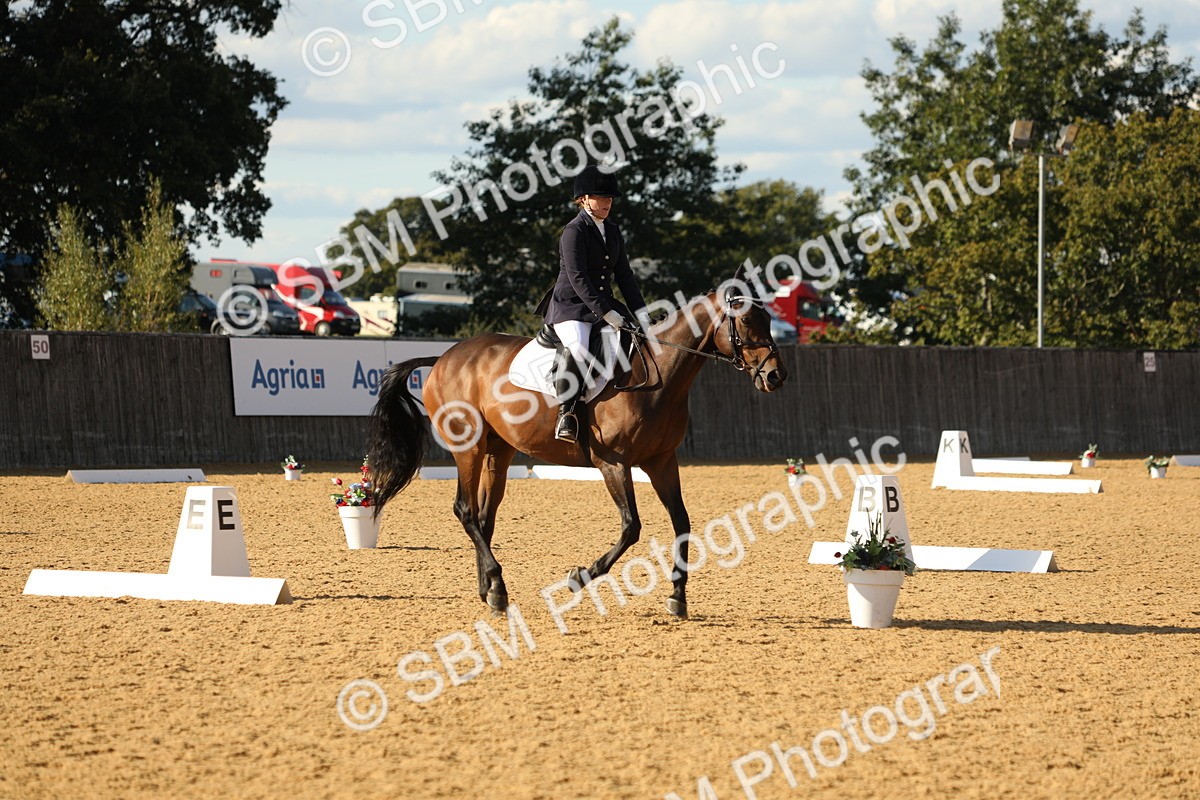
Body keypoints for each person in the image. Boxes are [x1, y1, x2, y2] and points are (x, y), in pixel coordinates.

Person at [535, 164, 647, 443]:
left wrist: (642, 315)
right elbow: (578, 278)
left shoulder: (613, 230)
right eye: (601, 197)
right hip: (571, 307)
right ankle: (567, 413)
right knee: (579, 347)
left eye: (610, 198)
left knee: (634, 343)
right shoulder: (574, 231)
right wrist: (607, 313)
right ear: (584, 199)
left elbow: (625, 276)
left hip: (602, 305)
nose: (607, 202)